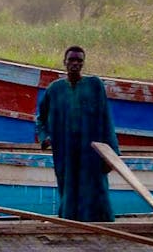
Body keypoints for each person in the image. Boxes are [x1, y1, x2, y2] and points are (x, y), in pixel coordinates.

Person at [35, 46, 120, 222]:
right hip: (66, 151)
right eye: (71, 60)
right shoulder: (55, 89)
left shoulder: (95, 85)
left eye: (79, 61)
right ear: (64, 62)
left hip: (90, 150)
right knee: (69, 188)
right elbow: (41, 118)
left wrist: (112, 154)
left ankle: (98, 226)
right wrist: (44, 138)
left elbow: (106, 119)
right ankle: (71, 224)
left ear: (83, 63)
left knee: (95, 187)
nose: (75, 64)